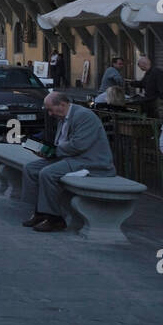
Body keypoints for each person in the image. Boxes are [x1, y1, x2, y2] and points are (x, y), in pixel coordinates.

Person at [20, 91, 116, 232]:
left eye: (50, 109)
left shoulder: (84, 116)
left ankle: (55, 218)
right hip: (71, 157)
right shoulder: (64, 116)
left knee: (48, 173)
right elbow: (62, 143)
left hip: (89, 160)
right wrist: (48, 152)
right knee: (31, 168)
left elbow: (78, 145)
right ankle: (40, 212)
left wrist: (53, 152)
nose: (50, 114)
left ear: (62, 105)